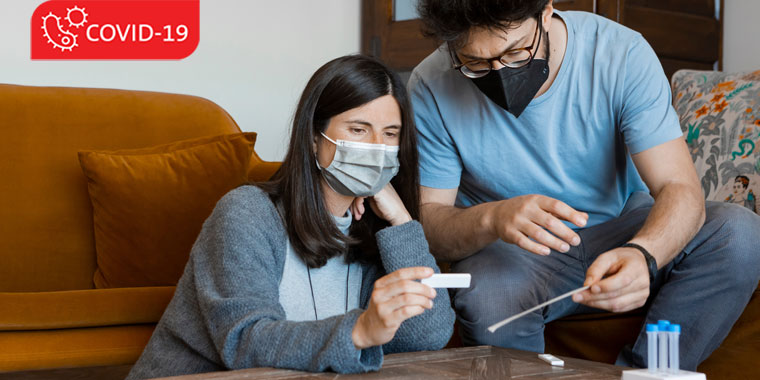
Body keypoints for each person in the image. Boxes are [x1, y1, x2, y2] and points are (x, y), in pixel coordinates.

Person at [408, 0, 760, 371]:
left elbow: (679, 187)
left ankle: (640, 377)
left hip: (623, 226)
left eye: (516, 52)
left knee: (738, 232)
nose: (499, 72)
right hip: (514, 254)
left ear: (545, 12)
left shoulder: (620, 53)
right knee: (488, 293)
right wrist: (492, 219)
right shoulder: (430, 84)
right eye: (476, 64)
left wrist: (645, 252)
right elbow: (430, 225)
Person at [126, 55, 455, 379]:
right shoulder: (246, 213)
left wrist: (401, 221)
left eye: (390, 134)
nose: (376, 148)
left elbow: (427, 336)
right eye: (359, 129)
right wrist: (360, 330)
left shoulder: (374, 232)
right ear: (314, 137)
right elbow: (244, 342)